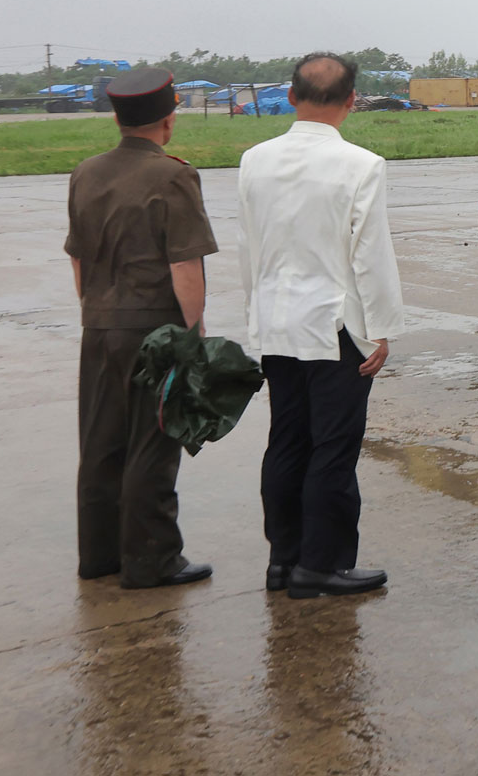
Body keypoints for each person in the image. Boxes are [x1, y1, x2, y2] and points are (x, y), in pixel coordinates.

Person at [238, 53, 403, 599]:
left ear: (290, 95)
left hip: (276, 320)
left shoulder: (254, 160)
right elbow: (370, 255)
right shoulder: (360, 165)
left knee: (286, 440)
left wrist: (255, 315)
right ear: (352, 100)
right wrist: (380, 328)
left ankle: (283, 561)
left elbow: (249, 248)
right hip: (333, 324)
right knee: (333, 448)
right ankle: (323, 562)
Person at [65, 68, 219, 588]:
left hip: (100, 323)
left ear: (117, 117)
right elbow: (184, 265)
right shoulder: (173, 175)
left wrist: (96, 309)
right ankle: (151, 560)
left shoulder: (86, 172)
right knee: (154, 443)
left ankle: (100, 556)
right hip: (155, 328)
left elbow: (79, 259)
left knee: (101, 442)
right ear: (168, 118)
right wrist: (193, 335)